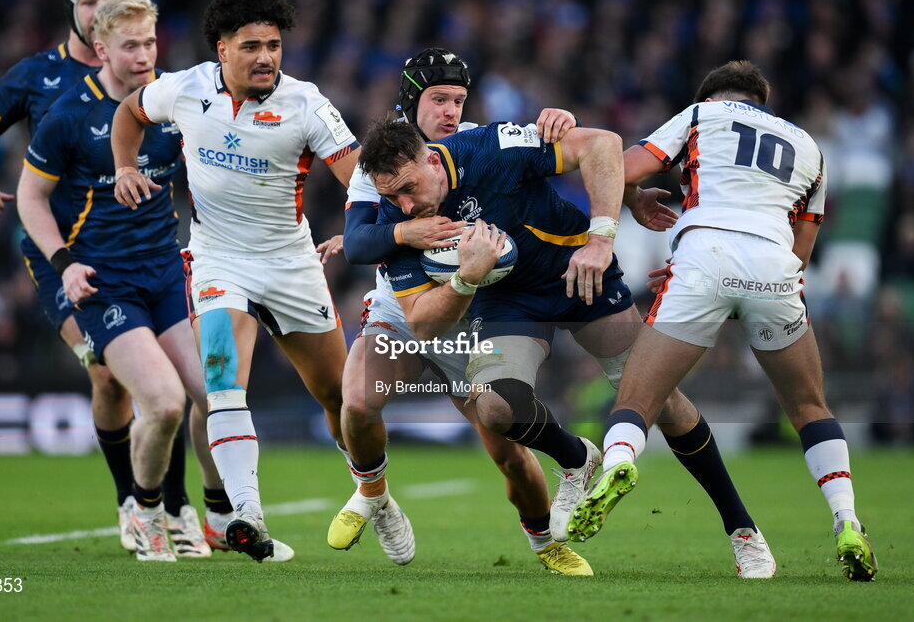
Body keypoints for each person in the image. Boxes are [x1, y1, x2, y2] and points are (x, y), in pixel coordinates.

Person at [358, 114, 777, 578]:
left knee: (663, 403)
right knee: (495, 408)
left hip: (577, 271)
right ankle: (577, 458)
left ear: (428, 158)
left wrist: (601, 241)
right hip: (506, 300)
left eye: (408, 187)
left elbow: (601, 144)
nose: (405, 203)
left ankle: (744, 533)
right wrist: (466, 277)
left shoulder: (489, 147)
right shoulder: (395, 218)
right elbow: (422, 326)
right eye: (390, 194)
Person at [568, 60, 878, 582]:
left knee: (638, 401)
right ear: (763, 99)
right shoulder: (809, 148)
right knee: (808, 407)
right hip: (775, 268)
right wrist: (748, 293)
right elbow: (801, 251)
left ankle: (620, 458)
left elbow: (616, 164)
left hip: (702, 259)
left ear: (712, 96)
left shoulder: (699, 116)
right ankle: (847, 520)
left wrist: (636, 204)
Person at [110, 0, 360, 562]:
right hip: (219, 260)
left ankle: (376, 495)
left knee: (339, 398)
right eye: (251, 46)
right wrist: (125, 166)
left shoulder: (306, 103)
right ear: (222, 49)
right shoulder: (185, 88)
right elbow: (129, 112)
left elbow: (359, 178)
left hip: (293, 263)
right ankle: (246, 514)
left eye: (274, 45)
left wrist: (365, 225)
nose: (266, 57)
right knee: (223, 383)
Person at [326, 47, 596, 575]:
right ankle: (375, 497)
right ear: (410, 102)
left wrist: (565, 122)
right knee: (357, 401)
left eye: (458, 100)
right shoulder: (380, 162)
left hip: (472, 312)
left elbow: (561, 157)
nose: (451, 110)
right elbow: (359, 245)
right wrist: (407, 230)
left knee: (508, 450)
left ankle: (546, 543)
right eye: (439, 99)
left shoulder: (476, 142)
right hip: (402, 307)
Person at [0, 0, 160, 551]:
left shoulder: (148, 76)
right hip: (59, 252)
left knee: (154, 385)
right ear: (72, 7)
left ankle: (168, 508)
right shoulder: (38, 76)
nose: (99, 8)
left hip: (134, 251)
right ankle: (132, 499)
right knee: (109, 373)